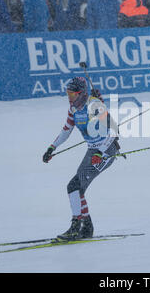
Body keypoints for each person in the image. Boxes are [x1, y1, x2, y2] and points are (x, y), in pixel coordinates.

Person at [42, 77, 121, 241]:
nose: (69, 97)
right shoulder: (73, 109)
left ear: (81, 93)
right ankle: (86, 228)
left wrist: (100, 153)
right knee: (77, 189)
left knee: (74, 186)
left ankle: (76, 227)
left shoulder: (94, 106)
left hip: (106, 150)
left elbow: (113, 131)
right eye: (67, 94)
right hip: (93, 150)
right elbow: (66, 130)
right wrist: (52, 147)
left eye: (72, 94)